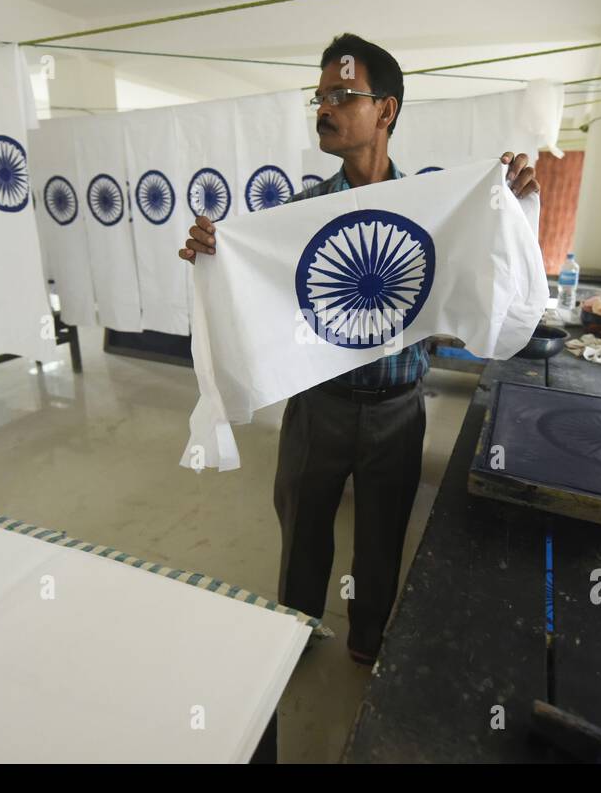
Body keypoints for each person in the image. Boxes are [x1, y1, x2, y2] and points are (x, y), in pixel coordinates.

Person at [180, 33, 540, 664]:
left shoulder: (436, 207)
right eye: (319, 97)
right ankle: (292, 634)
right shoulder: (300, 213)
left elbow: (481, 278)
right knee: (303, 533)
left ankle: (369, 643)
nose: (325, 107)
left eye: (342, 94)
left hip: (400, 407)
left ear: (387, 110)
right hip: (316, 408)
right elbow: (263, 291)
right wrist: (220, 256)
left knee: (381, 540)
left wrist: (510, 205)